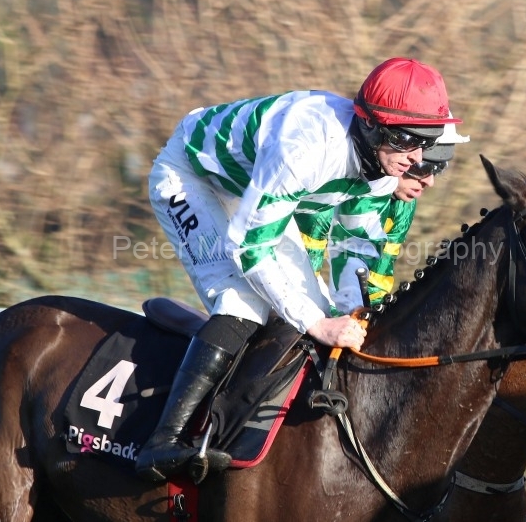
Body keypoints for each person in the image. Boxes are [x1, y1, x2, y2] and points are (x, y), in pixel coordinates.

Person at [138, 57, 461, 481]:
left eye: (427, 141)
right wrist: (320, 325)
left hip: (254, 192)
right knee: (245, 301)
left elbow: (355, 250)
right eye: (407, 140)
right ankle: (165, 440)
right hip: (190, 177)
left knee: (320, 307)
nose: (417, 158)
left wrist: (354, 317)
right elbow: (249, 245)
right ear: (371, 126)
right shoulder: (307, 147)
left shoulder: (385, 165)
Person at [298, 118, 469, 312]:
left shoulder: (404, 205)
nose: (429, 182)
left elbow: (376, 281)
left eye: (438, 169)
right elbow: (302, 278)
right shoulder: (340, 183)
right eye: (424, 168)